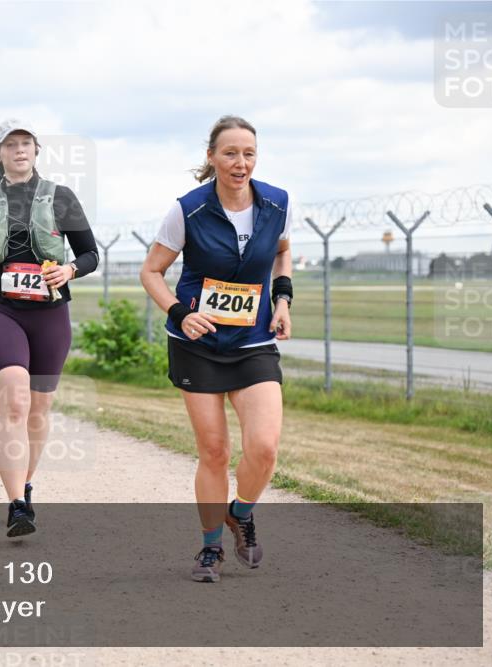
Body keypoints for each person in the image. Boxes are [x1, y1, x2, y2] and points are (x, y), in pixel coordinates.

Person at [139, 115, 293, 583]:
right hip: (197, 342)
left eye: (248, 153)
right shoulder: (188, 210)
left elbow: (283, 251)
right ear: (212, 157)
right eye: (230, 153)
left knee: (264, 448)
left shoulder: (277, 202)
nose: (240, 162)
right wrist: (180, 314)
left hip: (253, 342)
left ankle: (240, 512)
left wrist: (282, 300)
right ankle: (211, 550)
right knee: (214, 450)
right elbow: (151, 272)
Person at [0, 119, 99, 538]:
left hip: (49, 314)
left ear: (36, 150)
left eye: (26, 143)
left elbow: (89, 254)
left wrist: (69, 269)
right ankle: (16, 506)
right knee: (13, 401)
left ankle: (26, 486)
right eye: (10, 144)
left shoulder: (61, 197)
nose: (19, 150)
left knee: (39, 409)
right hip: (1, 310)